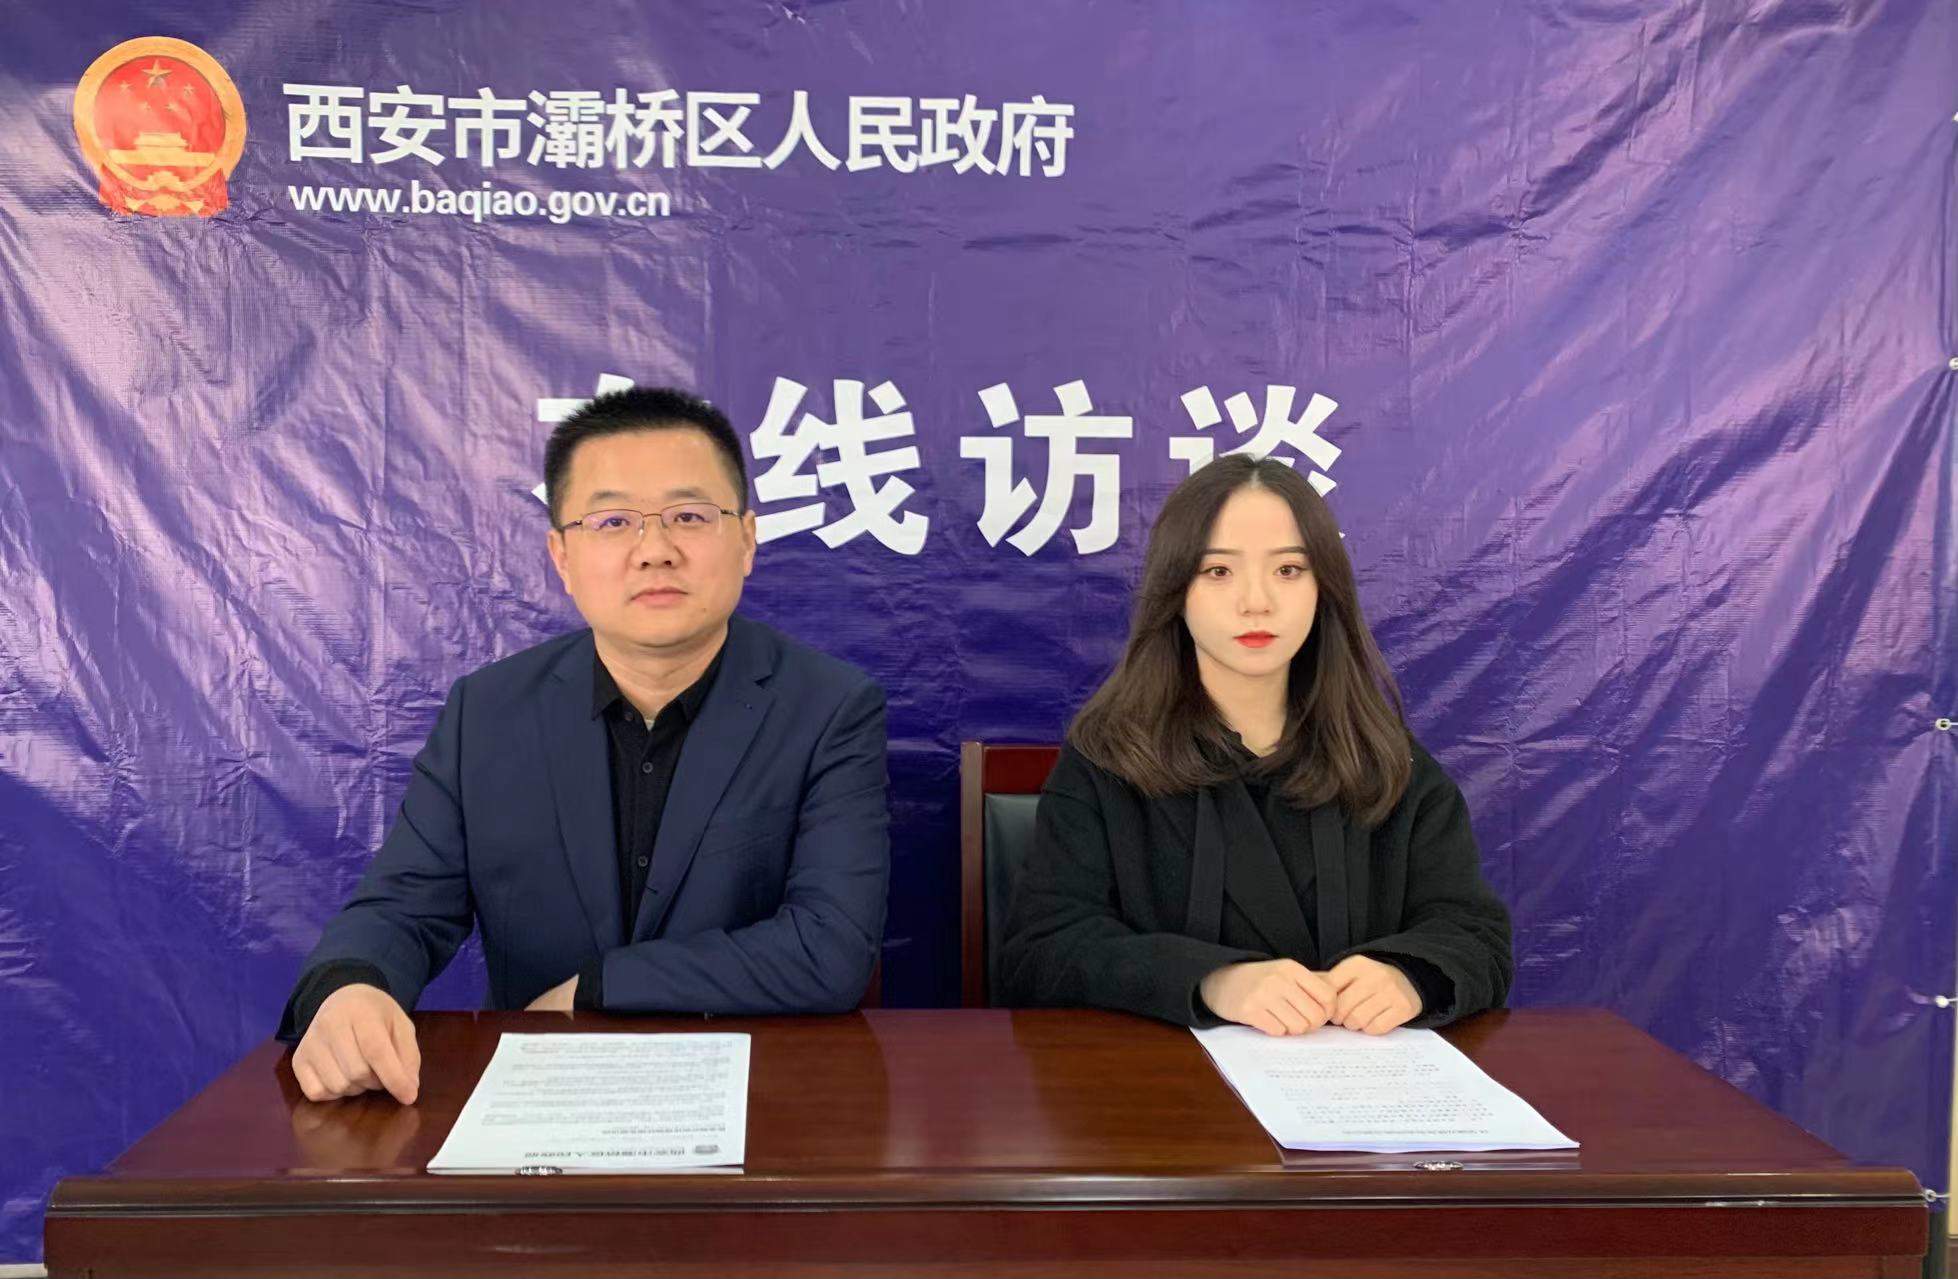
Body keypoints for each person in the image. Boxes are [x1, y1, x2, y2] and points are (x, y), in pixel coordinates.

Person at [279, 387, 889, 1103]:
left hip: (763, 1097)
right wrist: (352, 984)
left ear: (747, 540)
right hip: (541, 1099)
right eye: (613, 521)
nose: (654, 551)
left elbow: (829, 947)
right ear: (562, 556)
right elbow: (402, 907)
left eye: (690, 516)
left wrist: (600, 985)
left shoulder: (828, 708)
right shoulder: (489, 713)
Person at [999, 454, 1511, 1036]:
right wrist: (1213, 981)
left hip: (1351, 1081)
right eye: (1219, 571)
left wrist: (1410, 975)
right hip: (1167, 1083)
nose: (1256, 601)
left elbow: (1477, 936)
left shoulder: (1387, 762)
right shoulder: (1107, 760)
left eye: (1288, 570)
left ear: (1324, 588)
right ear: (1175, 590)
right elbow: (1041, 952)